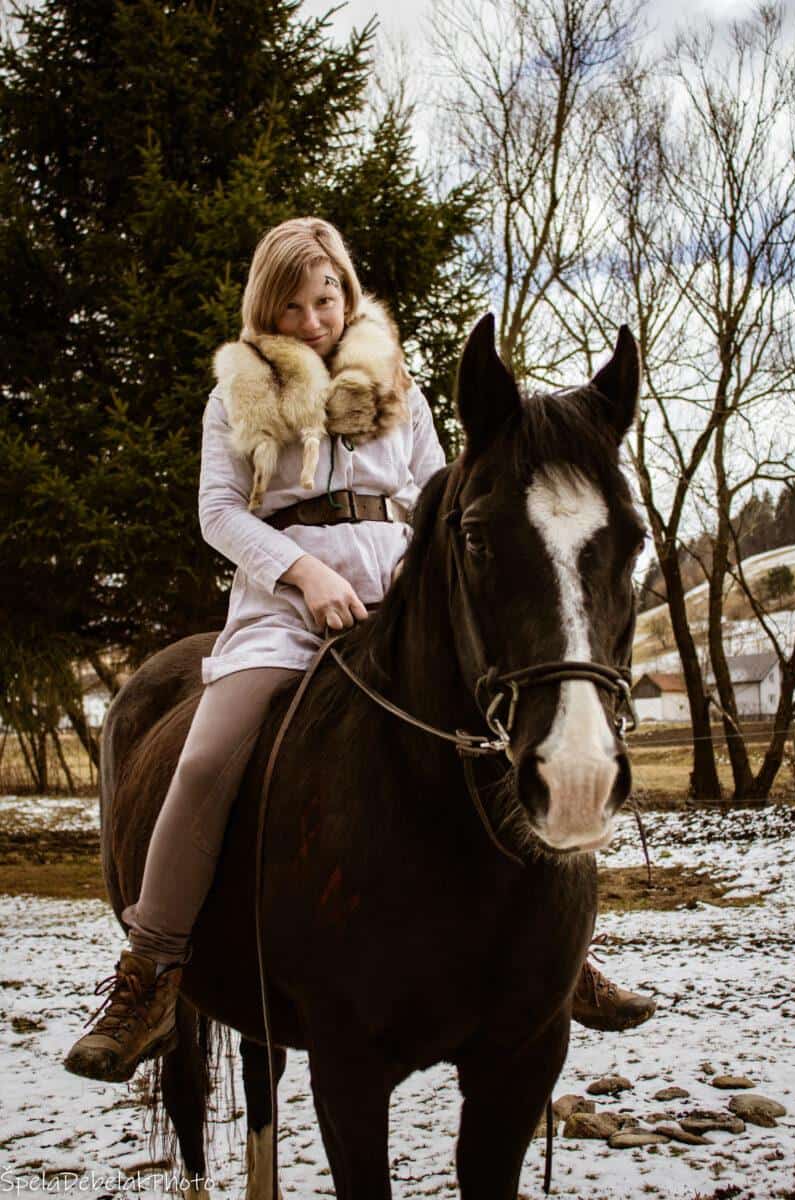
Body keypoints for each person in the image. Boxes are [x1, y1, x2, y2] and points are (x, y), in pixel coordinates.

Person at [64, 218, 655, 1085]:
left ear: (347, 294)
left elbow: (439, 495)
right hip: (282, 612)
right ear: (266, 310)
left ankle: (562, 956)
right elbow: (218, 513)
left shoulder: (399, 390)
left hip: (395, 602)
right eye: (293, 306)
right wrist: (304, 574)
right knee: (208, 756)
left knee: (524, 730)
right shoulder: (237, 398)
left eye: (327, 298)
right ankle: (151, 970)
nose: (314, 320)